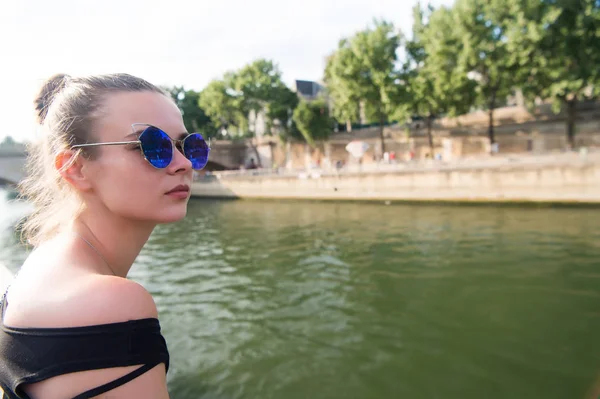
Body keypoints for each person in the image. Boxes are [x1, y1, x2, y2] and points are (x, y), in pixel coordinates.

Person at [0, 73, 210, 399]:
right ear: (75, 168)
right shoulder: (112, 304)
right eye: (151, 145)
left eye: (189, 146)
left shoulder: (46, 262)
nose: (184, 164)